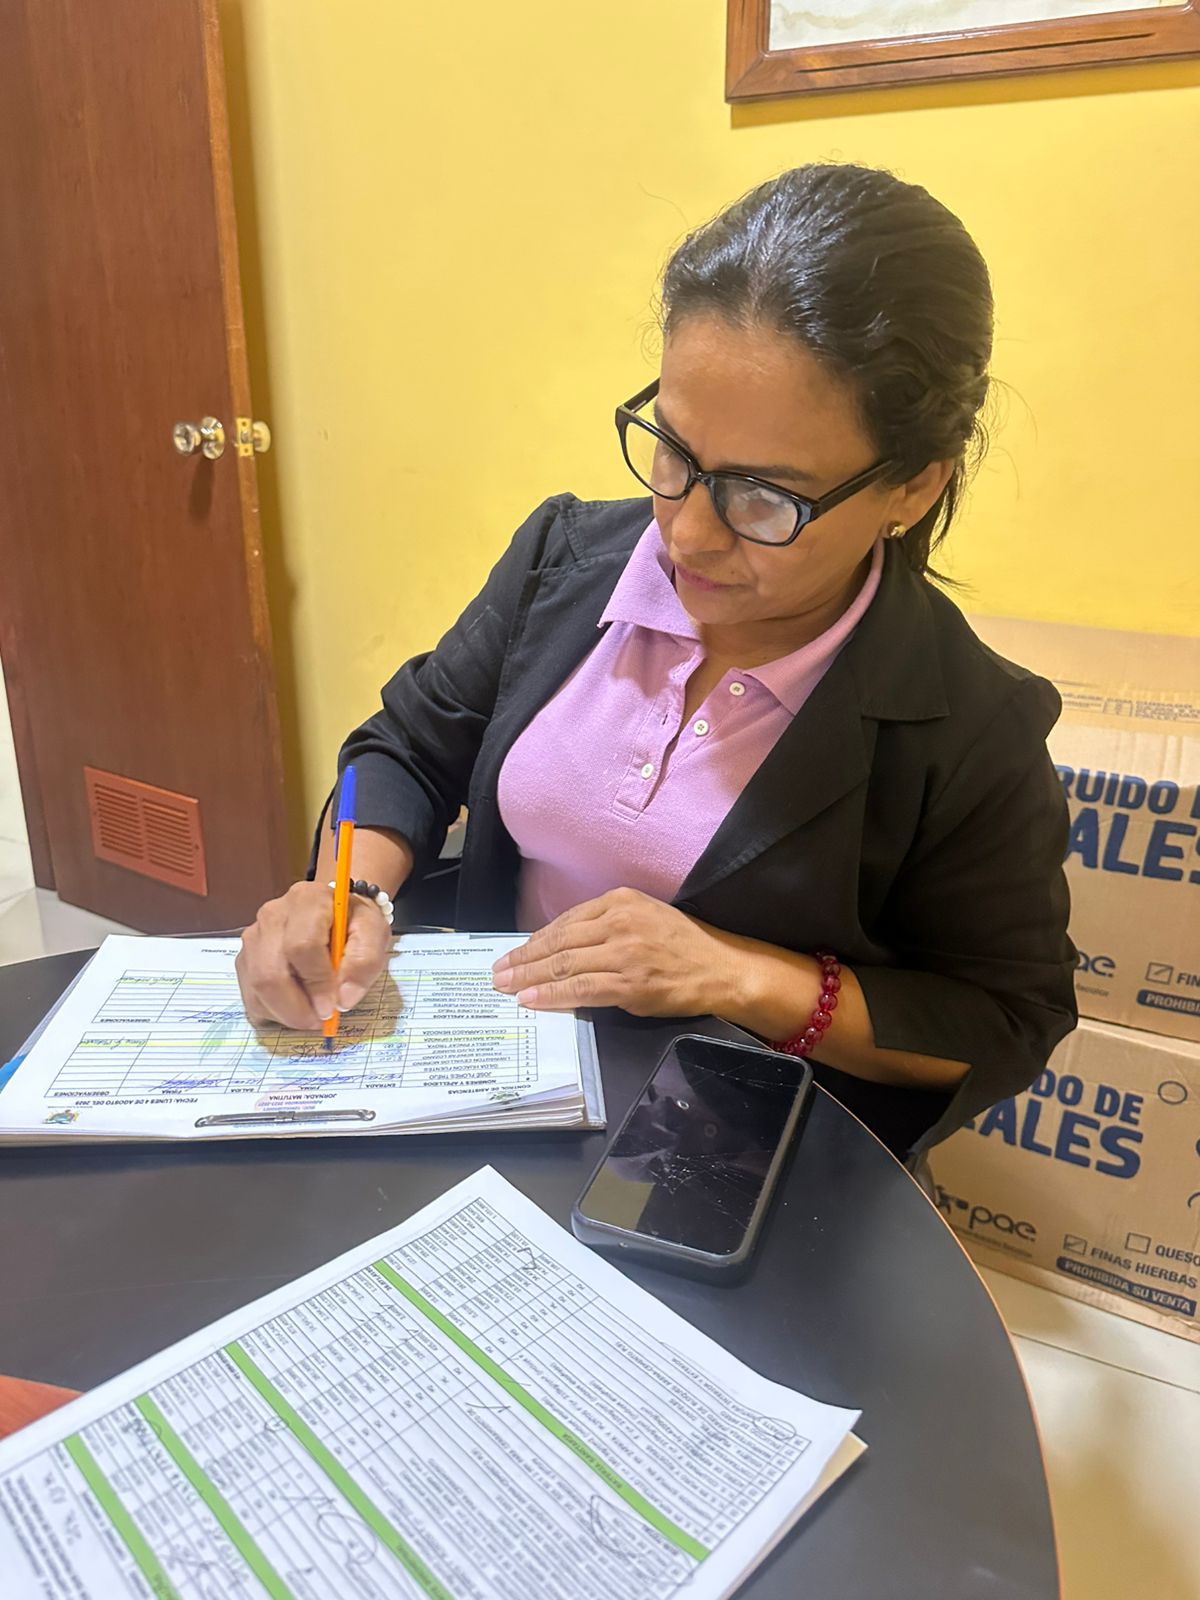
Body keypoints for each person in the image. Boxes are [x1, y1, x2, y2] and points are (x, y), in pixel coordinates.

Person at [236, 163, 1077, 1158]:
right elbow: (408, 747)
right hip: (489, 1081)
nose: (686, 534)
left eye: (766, 497)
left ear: (913, 487)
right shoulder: (566, 557)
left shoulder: (968, 727)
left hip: (728, 1155)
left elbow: (1003, 1019)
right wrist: (349, 894)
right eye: (673, 452)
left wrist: (740, 975)